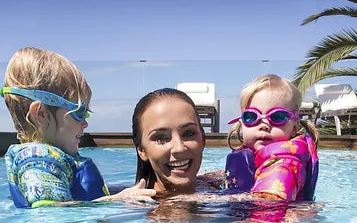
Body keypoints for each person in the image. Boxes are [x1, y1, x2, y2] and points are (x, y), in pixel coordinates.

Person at [0, 47, 155, 208]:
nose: (85, 123)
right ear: (41, 114)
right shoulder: (38, 163)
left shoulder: (53, 159)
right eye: (79, 112)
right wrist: (118, 200)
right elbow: (52, 215)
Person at [224, 74, 319, 202]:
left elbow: (269, 207)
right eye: (251, 117)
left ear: (294, 127)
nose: (264, 125)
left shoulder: (283, 166)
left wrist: (206, 199)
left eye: (277, 117)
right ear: (242, 123)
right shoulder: (262, 157)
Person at [131, 88, 208, 197]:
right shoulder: (130, 202)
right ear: (142, 151)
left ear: (203, 139)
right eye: (160, 138)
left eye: (188, 133)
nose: (179, 148)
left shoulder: (217, 184)